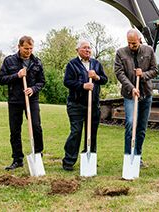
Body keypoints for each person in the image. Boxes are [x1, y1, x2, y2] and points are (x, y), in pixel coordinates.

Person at [0, 36, 45, 170]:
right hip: (15, 100)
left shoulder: (37, 62)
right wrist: (16, 76)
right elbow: (1, 79)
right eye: (26, 48)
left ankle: (38, 155)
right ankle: (17, 159)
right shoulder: (9, 61)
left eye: (31, 48)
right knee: (15, 131)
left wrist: (33, 89)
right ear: (19, 47)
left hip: (32, 100)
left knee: (36, 127)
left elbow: (42, 81)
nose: (28, 51)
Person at [62, 40, 108, 171]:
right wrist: (83, 86)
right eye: (84, 48)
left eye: (89, 48)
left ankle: (90, 157)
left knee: (91, 133)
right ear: (78, 50)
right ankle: (69, 161)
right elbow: (67, 82)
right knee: (76, 132)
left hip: (93, 105)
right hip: (76, 104)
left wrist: (96, 77)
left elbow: (104, 79)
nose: (87, 50)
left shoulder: (96, 64)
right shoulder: (72, 64)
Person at [114, 29, 157, 167]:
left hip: (146, 94)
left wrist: (143, 75)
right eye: (129, 43)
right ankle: (128, 156)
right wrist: (131, 88)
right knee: (130, 123)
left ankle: (138, 157)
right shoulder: (121, 53)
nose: (131, 45)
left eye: (134, 43)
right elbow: (119, 73)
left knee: (141, 128)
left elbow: (155, 70)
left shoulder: (149, 51)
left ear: (140, 40)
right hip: (130, 95)